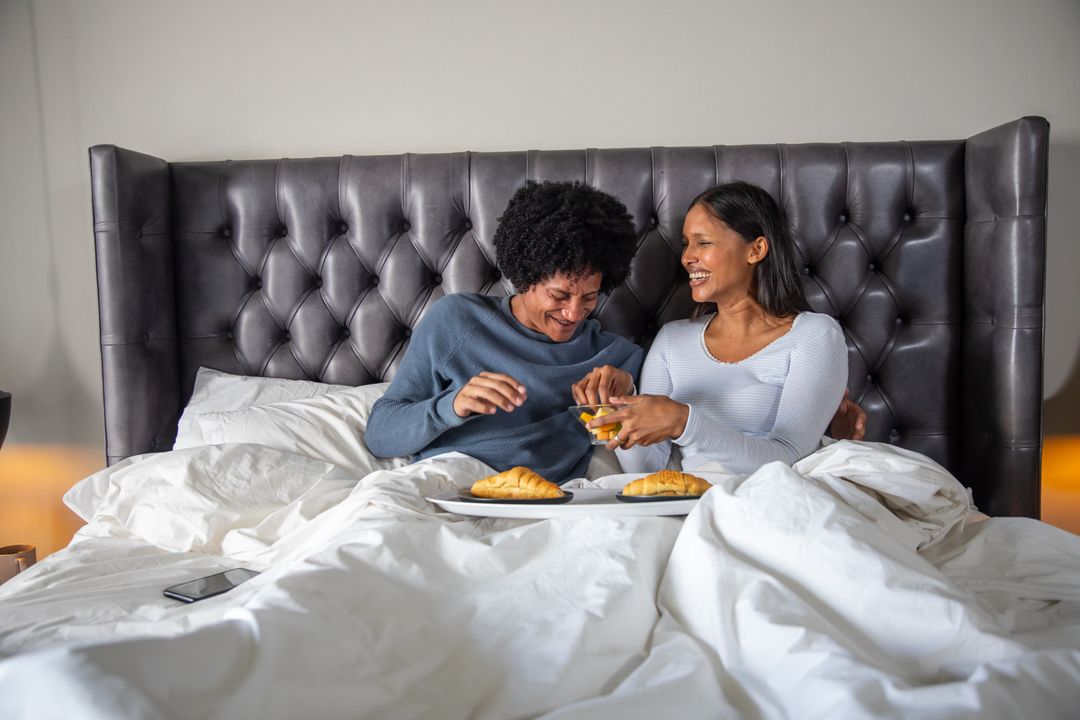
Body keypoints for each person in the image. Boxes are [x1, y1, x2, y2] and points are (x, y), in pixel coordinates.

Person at [365, 181, 644, 482]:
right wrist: (453, 405)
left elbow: (638, 439)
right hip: (449, 480)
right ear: (526, 277)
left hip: (544, 498)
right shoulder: (457, 320)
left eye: (589, 297)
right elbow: (381, 435)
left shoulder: (614, 357)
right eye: (559, 296)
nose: (574, 313)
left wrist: (628, 391)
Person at [591, 181, 853, 476]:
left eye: (703, 242)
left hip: (774, 500)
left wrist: (684, 422)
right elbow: (648, 469)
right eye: (686, 243)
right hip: (687, 504)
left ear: (756, 250)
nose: (687, 257)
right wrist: (623, 411)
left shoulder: (815, 336)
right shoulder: (671, 340)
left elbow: (790, 460)